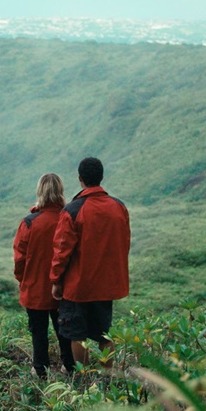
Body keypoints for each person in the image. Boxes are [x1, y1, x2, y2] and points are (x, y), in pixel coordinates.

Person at [50, 157, 131, 367]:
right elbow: (125, 242)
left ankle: (85, 380)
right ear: (101, 177)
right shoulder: (118, 207)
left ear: (80, 179)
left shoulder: (72, 211)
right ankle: (109, 376)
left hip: (79, 286)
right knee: (105, 334)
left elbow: (61, 251)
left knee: (77, 334)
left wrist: (56, 281)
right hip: (106, 284)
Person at [13, 173, 76, 378]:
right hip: (64, 287)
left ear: (40, 191)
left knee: (38, 332)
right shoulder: (68, 219)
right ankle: (69, 367)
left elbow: (19, 259)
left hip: (35, 288)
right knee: (64, 332)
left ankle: (40, 370)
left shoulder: (29, 223)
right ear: (60, 191)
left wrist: (23, 280)